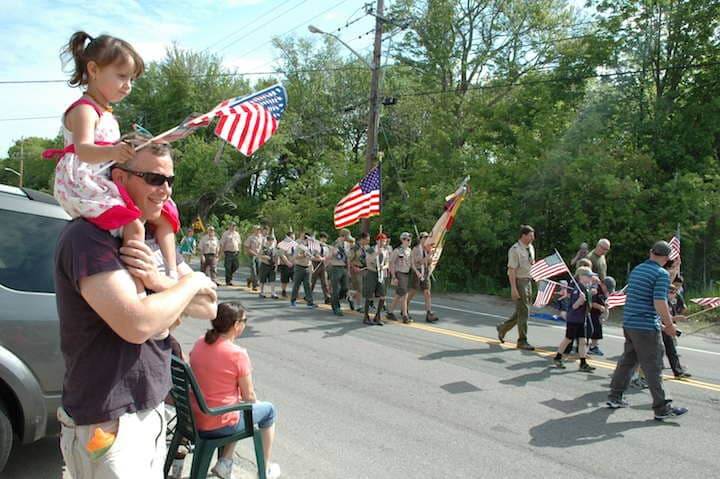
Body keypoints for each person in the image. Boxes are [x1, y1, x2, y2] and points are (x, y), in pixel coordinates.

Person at [55, 141, 218, 478]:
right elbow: (137, 324)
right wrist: (189, 282)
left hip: (150, 409)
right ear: (120, 177)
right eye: (155, 179)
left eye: (170, 180)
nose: (166, 190)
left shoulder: (153, 242)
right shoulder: (89, 237)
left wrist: (159, 281)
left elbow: (209, 306)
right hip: (109, 420)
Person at [46, 31, 181, 290]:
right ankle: (139, 288)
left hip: (105, 176)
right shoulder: (85, 110)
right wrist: (113, 152)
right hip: (85, 181)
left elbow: (119, 151)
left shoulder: (106, 113)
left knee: (165, 212)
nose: (127, 85)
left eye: (131, 79)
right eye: (121, 76)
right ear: (93, 70)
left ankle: (171, 272)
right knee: (133, 224)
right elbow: (84, 150)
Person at [190, 302, 281, 479]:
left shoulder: (200, 342)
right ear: (236, 325)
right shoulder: (237, 354)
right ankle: (265, 468)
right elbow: (249, 396)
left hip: (195, 417)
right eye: (244, 320)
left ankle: (226, 461)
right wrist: (252, 401)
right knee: (268, 411)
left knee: (239, 407)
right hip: (217, 423)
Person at [606, 241, 688, 420]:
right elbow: (660, 302)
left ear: (651, 252)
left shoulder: (638, 270)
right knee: (654, 365)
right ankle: (662, 408)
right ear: (666, 258)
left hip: (629, 322)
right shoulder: (660, 274)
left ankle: (614, 397)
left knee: (628, 361)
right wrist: (669, 325)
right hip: (646, 326)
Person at [551, 267, 598, 372]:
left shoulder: (585, 288)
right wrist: (580, 301)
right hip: (574, 319)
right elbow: (574, 306)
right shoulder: (577, 290)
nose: (591, 278)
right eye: (589, 276)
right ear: (581, 277)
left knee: (582, 341)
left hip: (581, 319)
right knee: (568, 339)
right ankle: (557, 357)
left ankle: (583, 363)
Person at [497, 225, 536, 350]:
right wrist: (513, 289)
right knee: (524, 312)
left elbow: (531, 264)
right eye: (530, 235)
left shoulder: (530, 248)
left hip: (528, 281)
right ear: (523, 235)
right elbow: (512, 270)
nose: (533, 238)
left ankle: (503, 328)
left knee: (523, 311)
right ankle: (522, 341)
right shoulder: (515, 250)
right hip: (519, 282)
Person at [407, 232, 438, 323]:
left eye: (427, 237)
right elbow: (418, 262)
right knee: (413, 291)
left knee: (427, 292)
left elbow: (429, 262)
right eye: (425, 237)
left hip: (426, 271)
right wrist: (428, 255)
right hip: (418, 271)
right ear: (420, 239)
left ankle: (429, 313)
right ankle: (405, 308)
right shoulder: (416, 249)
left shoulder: (427, 249)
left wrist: (431, 256)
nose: (426, 239)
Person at [362, 233, 390, 326]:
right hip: (372, 272)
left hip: (381, 274)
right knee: (369, 295)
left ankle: (377, 316)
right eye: (381, 241)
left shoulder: (385, 251)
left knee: (383, 295)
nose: (382, 243)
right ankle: (366, 316)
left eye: (384, 241)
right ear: (377, 241)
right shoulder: (371, 250)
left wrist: (383, 267)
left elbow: (387, 263)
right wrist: (376, 255)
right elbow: (368, 262)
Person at [387, 232, 413, 324]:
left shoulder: (409, 250)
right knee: (404, 295)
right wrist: (394, 276)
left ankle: (390, 312)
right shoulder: (397, 251)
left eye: (410, 239)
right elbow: (391, 263)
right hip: (399, 273)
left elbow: (411, 263)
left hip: (406, 274)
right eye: (407, 239)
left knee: (398, 294)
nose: (409, 241)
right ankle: (405, 316)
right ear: (402, 240)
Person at [666, 285, 691, 378]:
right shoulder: (662, 302)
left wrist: (679, 319)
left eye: (674, 293)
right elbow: (662, 316)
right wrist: (676, 318)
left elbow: (672, 317)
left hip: (668, 329)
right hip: (659, 328)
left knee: (672, 350)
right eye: (671, 292)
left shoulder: (671, 304)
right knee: (656, 352)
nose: (673, 295)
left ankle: (678, 372)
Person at [326, 229, 352, 316]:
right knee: (335, 289)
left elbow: (348, 258)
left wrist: (348, 270)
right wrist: (333, 253)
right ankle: (336, 307)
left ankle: (335, 299)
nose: (349, 238)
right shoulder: (335, 244)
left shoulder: (347, 245)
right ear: (344, 236)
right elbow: (328, 257)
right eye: (348, 236)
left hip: (343, 268)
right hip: (335, 267)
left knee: (345, 288)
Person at [588, 276, 614, 356]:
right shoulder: (596, 290)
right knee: (592, 330)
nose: (608, 291)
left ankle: (593, 346)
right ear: (603, 285)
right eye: (607, 288)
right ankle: (591, 347)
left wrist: (605, 310)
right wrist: (600, 307)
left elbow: (605, 302)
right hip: (590, 313)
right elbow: (591, 303)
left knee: (597, 330)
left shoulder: (605, 292)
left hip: (598, 314)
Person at [290, 232, 317, 308]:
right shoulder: (300, 246)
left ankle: (310, 302)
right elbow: (295, 256)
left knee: (307, 285)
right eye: (309, 239)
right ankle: (293, 300)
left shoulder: (311, 248)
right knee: (296, 285)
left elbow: (310, 258)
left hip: (307, 267)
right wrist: (304, 255)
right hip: (299, 267)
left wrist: (311, 266)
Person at [348, 233, 370, 312]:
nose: (368, 241)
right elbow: (349, 259)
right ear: (362, 239)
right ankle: (359, 306)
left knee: (362, 288)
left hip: (365, 269)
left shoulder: (367, 247)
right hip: (356, 269)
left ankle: (350, 296)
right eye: (367, 240)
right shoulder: (355, 248)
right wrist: (353, 267)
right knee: (359, 288)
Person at [310, 232, 331, 305]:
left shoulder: (326, 247)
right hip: (315, 264)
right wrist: (319, 257)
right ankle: (308, 295)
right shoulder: (315, 245)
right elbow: (313, 255)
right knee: (313, 281)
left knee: (324, 282)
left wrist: (325, 259)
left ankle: (327, 297)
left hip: (323, 265)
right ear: (320, 238)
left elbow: (327, 256)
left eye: (325, 239)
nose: (325, 240)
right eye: (323, 238)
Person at [258, 233, 279, 299]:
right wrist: (265, 257)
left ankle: (273, 292)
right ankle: (261, 292)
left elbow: (276, 257)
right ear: (267, 241)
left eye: (272, 240)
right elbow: (259, 255)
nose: (271, 242)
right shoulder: (264, 248)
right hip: (264, 265)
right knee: (262, 279)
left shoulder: (274, 249)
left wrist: (276, 266)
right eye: (269, 240)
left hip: (272, 266)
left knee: (272, 279)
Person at [277, 231, 295, 298]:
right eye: (292, 237)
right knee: (284, 280)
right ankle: (283, 291)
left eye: (293, 237)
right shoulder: (282, 244)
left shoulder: (295, 244)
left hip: (294, 264)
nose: (293, 238)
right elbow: (282, 255)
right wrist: (287, 262)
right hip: (285, 264)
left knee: (295, 279)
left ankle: (295, 292)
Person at [243, 225, 262, 290]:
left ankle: (250, 280)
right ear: (254, 230)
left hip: (259, 255)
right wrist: (252, 253)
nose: (258, 231)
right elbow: (246, 247)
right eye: (257, 229)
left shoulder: (261, 237)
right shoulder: (251, 237)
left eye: (259, 229)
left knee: (259, 270)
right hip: (252, 255)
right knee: (253, 270)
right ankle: (255, 285)